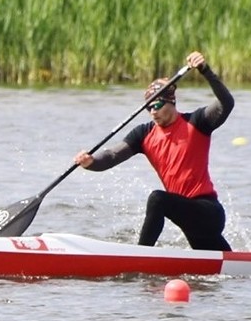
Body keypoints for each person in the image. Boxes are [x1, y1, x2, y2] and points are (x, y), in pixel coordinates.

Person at [74, 50, 234, 251]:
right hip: (186, 218)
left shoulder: (197, 122)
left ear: (171, 102)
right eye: (148, 107)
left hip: (207, 212)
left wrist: (205, 70)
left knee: (157, 199)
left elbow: (227, 103)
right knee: (222, 266)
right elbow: (112, 155)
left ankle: (141, 255)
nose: (153, 112)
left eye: (157, 105)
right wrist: (91, 162)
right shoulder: (144, 134)